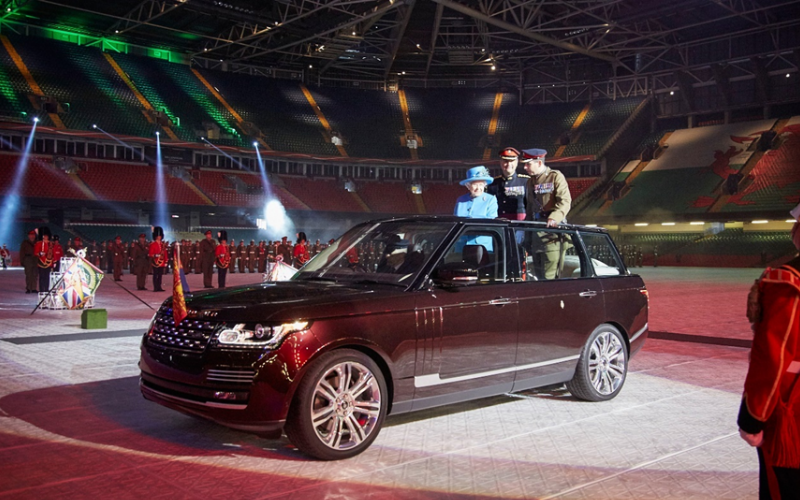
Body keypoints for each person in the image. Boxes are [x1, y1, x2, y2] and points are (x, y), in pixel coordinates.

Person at [739, 204, 800, 500]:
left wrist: (752, 417)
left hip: (791, 406)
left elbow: (773, 357)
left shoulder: (787, 282)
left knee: (782, 486)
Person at [523, 148, 571, 227]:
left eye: (528, 164)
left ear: (539, 163)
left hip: (554, 226)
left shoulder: (555, 176)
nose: (525, 167)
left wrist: (554, 218)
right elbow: (530, 208)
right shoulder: (530, 182)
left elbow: (565, 201)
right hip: (537, 225)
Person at [488, 147, 529, 220]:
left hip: (519, 224)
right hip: (498, 223)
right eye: (505, 161)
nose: (508, 164)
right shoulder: (493, 183)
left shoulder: (525, 181)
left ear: (517, 162)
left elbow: (530, 206)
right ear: (500, 162)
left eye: (511, 161)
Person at [34, 227, 54, 294]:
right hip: (41, 262)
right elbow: (35, 253)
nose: (45, 237)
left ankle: (46, 289)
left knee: (47, 277)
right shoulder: (39, 243)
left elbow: (53, 254)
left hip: (48, 262)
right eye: (44, 236)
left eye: (46, 236)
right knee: (42, 277)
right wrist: (40, 253)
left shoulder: (51, 244)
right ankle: (42, 289)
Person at [149, 227, 168, 292]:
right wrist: (156, 255)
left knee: (160, 275)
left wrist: (166, 261)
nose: (159, 237)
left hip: (161, 262)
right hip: (155, 262)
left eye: (160, 236)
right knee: (155, 275)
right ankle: (155, 287)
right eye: (158, 236)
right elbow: (150, 254)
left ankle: (159, 287)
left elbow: (165, 253)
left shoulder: (162, 245)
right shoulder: (152, 244)